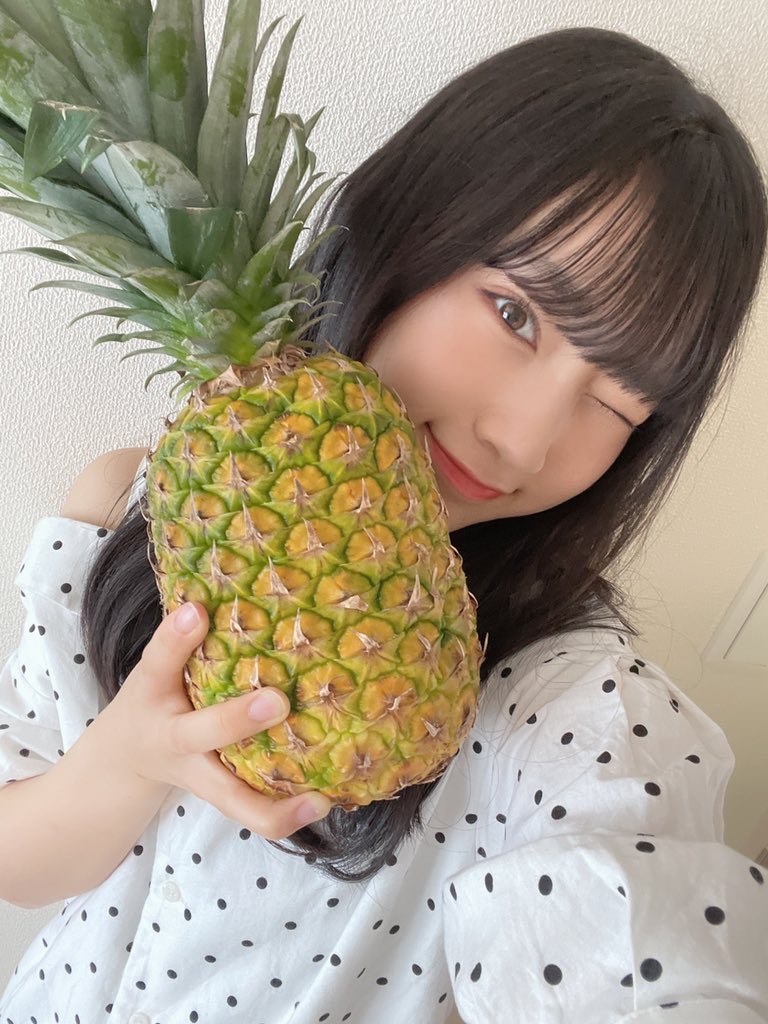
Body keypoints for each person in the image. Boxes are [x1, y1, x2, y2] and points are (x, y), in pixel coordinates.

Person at [1, 23, 767, 1024]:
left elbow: (627, 922)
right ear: (403, 230)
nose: (523, 443)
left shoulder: (565, 691)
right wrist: (128, 761)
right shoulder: (120, 506)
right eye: (515, 314)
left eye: (618, 405)